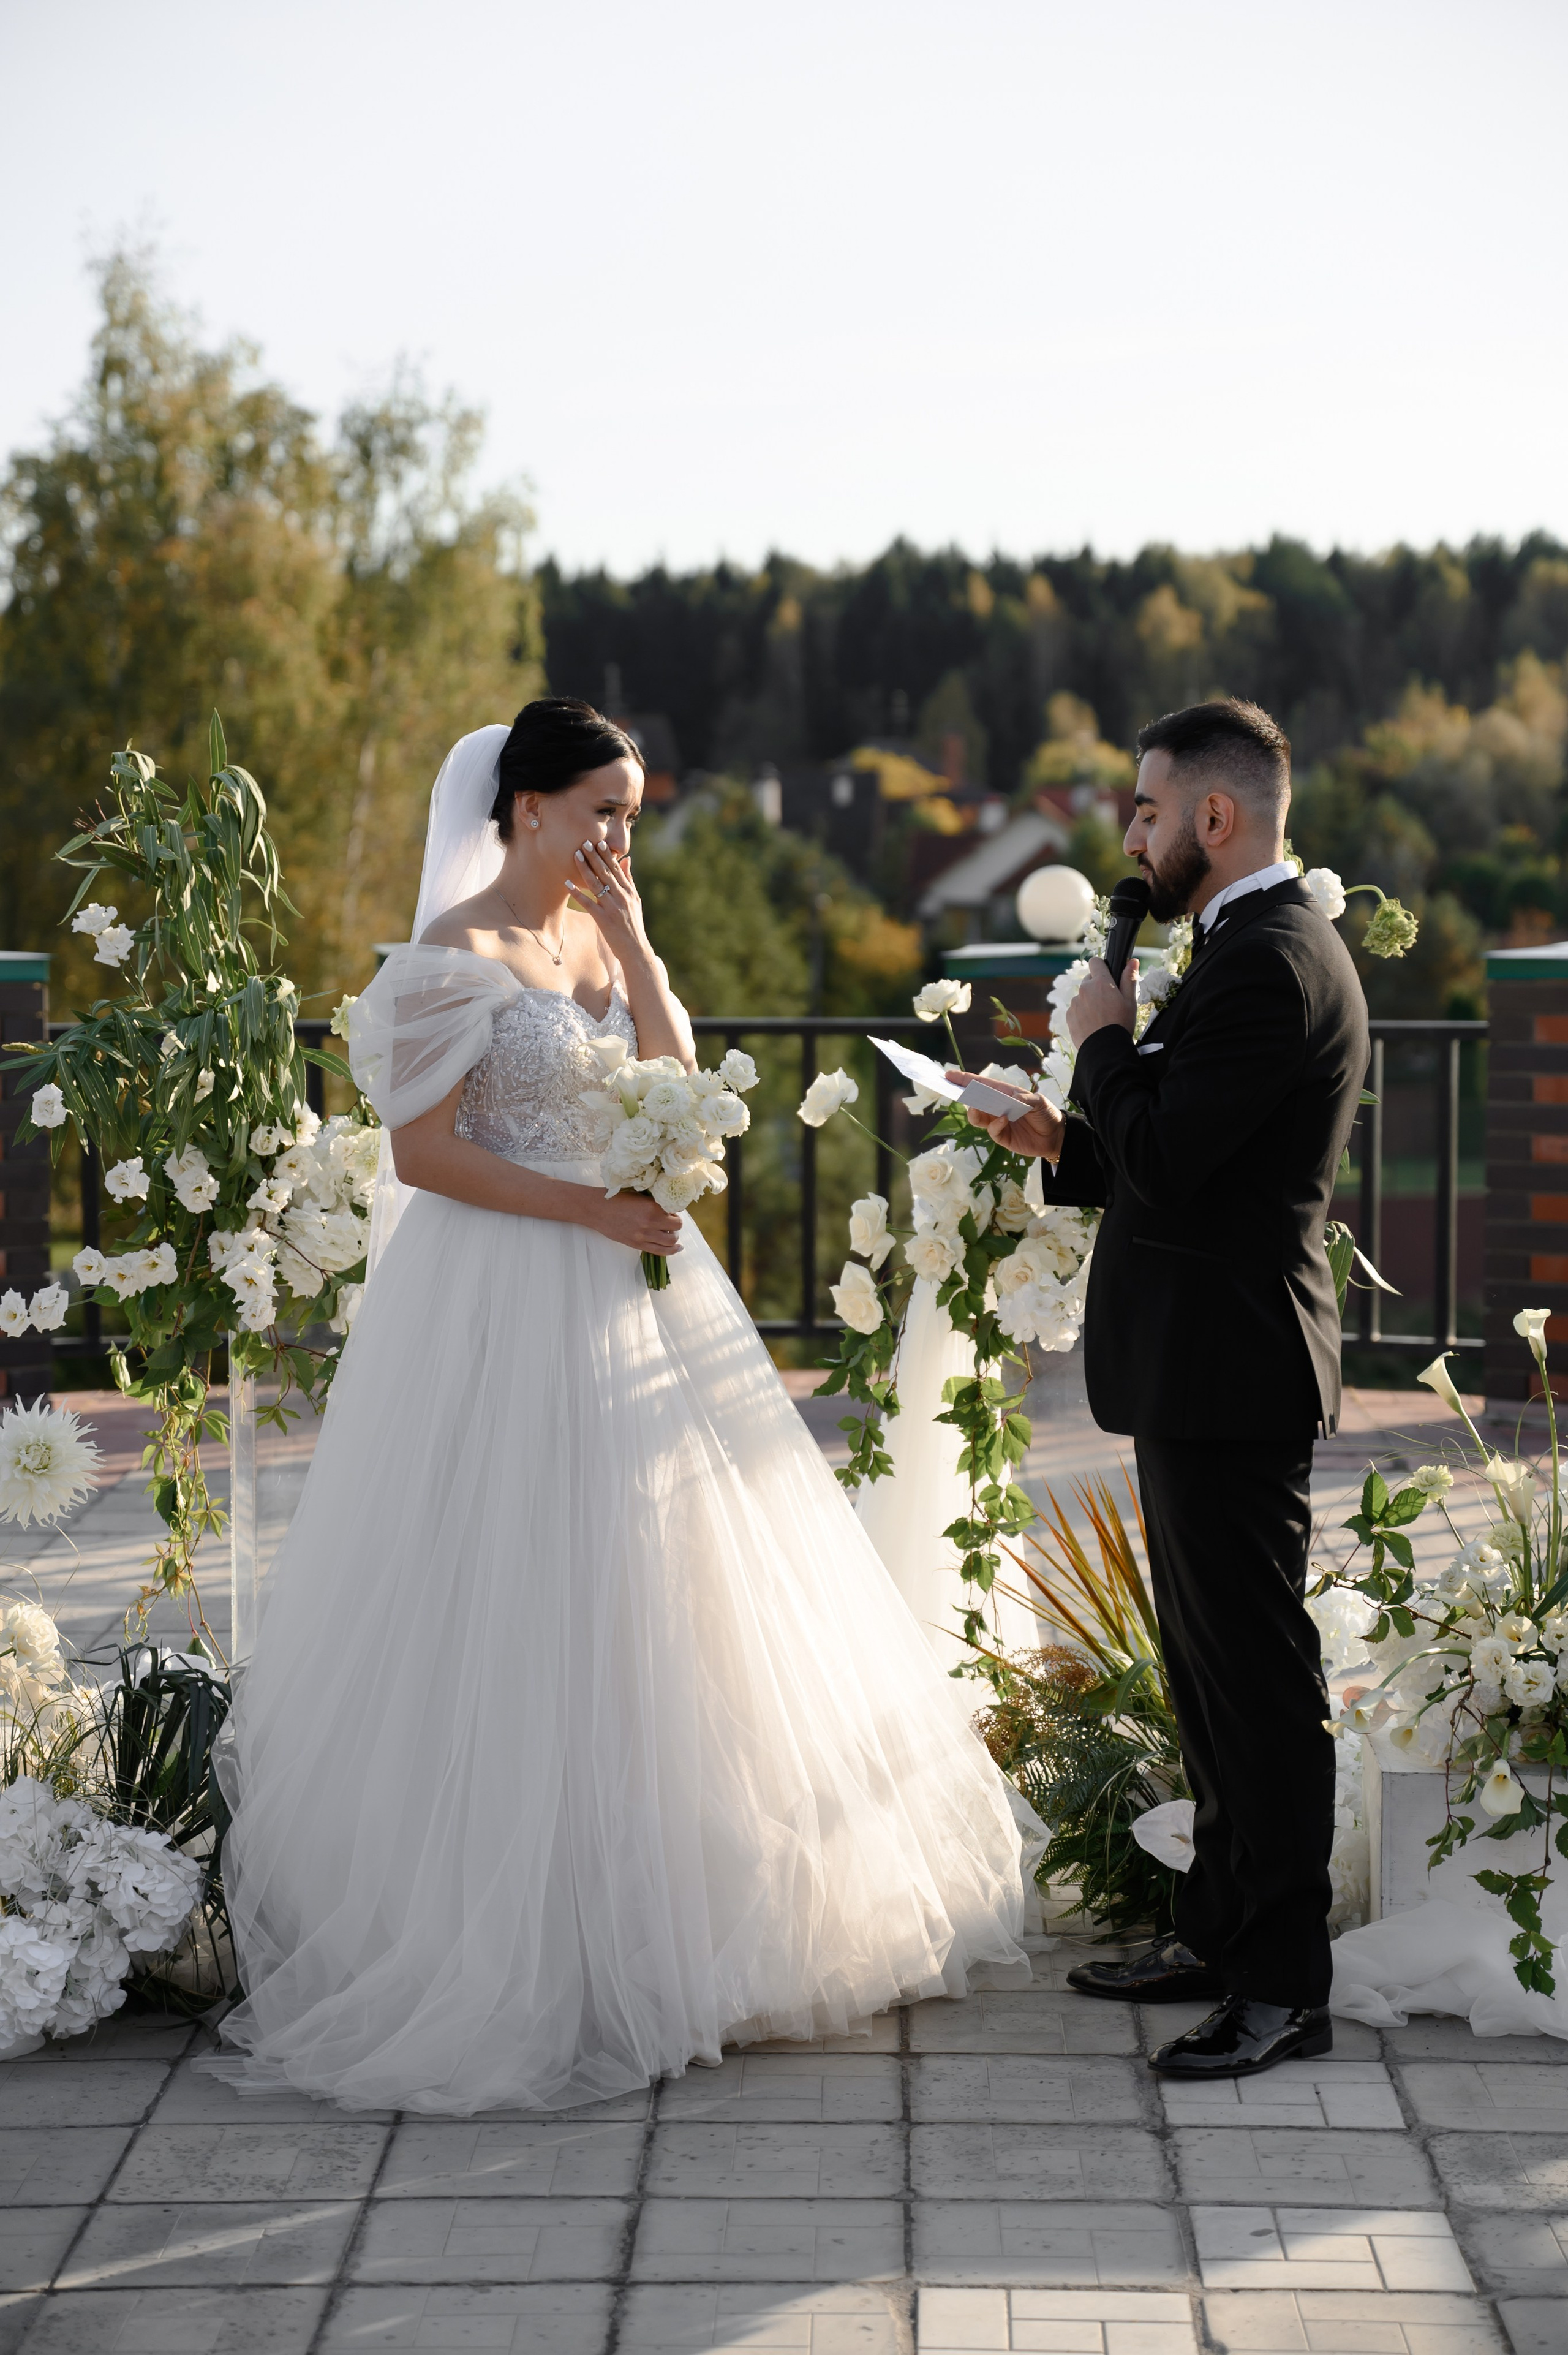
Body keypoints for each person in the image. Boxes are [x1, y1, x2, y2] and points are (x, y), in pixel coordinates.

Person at [209, 699, 1038, 2116]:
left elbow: (670, 1066)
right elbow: (426, 1152)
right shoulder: (447, 953)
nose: (612, 836)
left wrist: (641, 945)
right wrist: (587, 1206)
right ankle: (519, 1939)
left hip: (632, 1281)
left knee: (668, 1587)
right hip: (501, 1288)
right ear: (520, 805)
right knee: (511, 1581)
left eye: (629, 813)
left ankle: (679, 1918)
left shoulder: (597, 935)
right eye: (596, 807)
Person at [961, 698, 1368, 2082]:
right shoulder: (1240, 946)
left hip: (1234, 1364)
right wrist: (1054, 1133)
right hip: (1197, 1362)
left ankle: (1280, 1986)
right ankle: (1213, 1928)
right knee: (1205, 1676)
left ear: (1214, 815)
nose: (1128, 834)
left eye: (1144, 809)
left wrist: (1095, 1038)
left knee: (1255, 1682)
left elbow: (1182, 1156)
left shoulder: (1271, 959)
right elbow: (1170, 1149)